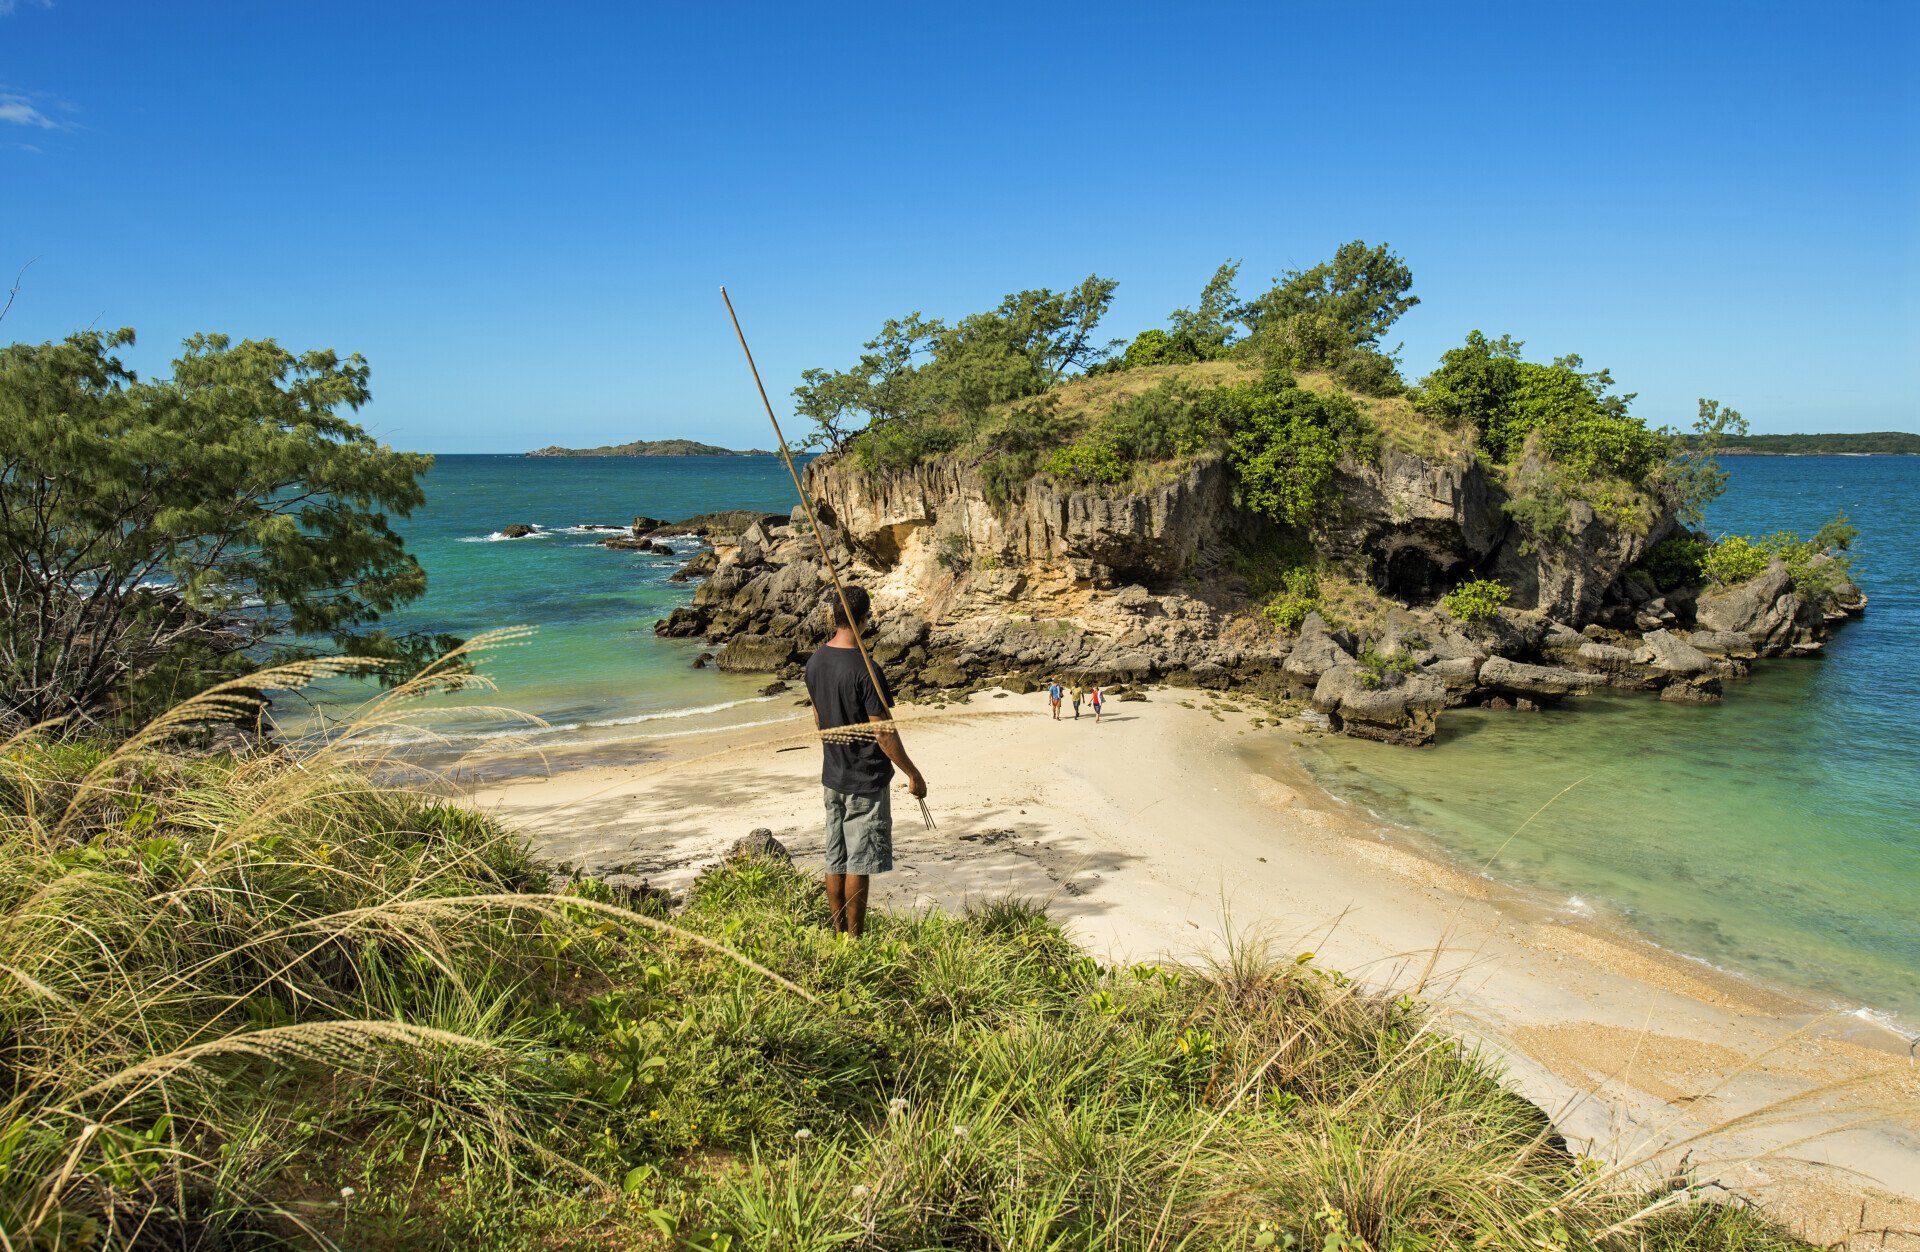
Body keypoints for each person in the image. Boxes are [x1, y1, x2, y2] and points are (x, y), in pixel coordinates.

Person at [803, 585, 927, 940]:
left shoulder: (814, 661)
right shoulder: (866, 669)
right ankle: (854, 941)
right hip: (865, 780)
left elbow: (817, 717)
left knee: (835, 857)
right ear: (864, 619)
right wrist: (913, 774)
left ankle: (838, 933)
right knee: (858, 862)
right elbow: (883, 735)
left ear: (834, 617)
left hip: (832, 775)